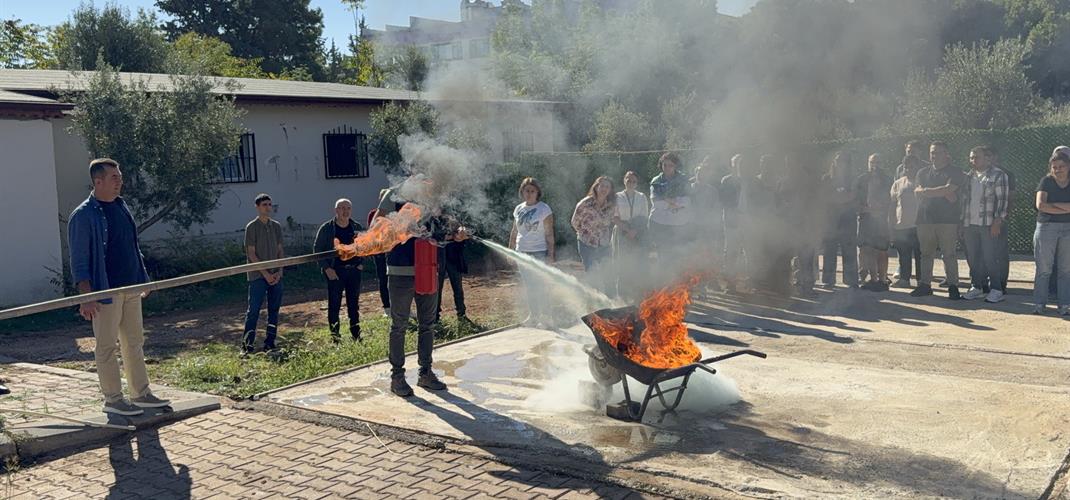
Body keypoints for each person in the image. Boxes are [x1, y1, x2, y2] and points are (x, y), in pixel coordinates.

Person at [68, 158, 170, 415]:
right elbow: (79, 260)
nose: (120, 182)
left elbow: (132, 247)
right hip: (105, 291)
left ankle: (141, 394)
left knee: (134, 342)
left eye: (120, 177)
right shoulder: (83, 215)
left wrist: (143, 278)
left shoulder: (122, 206)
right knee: (106, 346)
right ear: (98, 181)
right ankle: (113, 400)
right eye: (114, 177)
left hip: (131, 286)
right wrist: (86, 296)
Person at [376, 187, 468, 397]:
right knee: (399, 325)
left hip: (429, 268)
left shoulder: (434, 193)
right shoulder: (393, 194)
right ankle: (397, 377)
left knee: (427, 324)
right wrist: (404, 227)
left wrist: (458, 231)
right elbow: (376, 226)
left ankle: (425, 373)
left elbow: (448, 223)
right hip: (400, 270)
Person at [912, 142, 966, 299]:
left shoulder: (955, 172)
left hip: (947, 220)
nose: (934, 155)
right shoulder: (922, 172)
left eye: (938, 152)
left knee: (949, 254)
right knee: (926, 254)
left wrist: (927, 191)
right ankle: (925, 285)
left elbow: (949, 190)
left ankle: (953, 286)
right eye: (932, 152)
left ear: (946, 154)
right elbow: (917, 192)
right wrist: (942, 192)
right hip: (924, 219)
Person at [961, 146, 1010, 303]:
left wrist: (997, 221)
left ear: (987, 159)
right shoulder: (968, 176)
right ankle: (976, 287)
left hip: (988, 224)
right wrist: (962, 223)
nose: (973, 160)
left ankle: (996, 289)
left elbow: (1002, 200)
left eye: (977, 157)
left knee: (990, 257)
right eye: (971, 157)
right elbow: (964, 201)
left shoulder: (999, 175)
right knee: (973, 257)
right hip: (969, 224)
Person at [313, 198, 364, 343]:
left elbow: (364, 246)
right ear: (336, 210)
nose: (345, 211)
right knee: (334, 305)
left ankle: (356, 334)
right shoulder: (327, 228)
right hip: (335, 272)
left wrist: (361, 263)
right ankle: (335, 337)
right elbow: (317, 249)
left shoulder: (356, 227)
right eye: (342, 208)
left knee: (353, 304)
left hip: (354, 271)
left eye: (348, 208)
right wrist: (327, 268)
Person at [509, 177, 556, 326]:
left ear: (537, 193)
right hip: (522, 252)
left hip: (539, 252)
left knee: (541, 285)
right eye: (526, 191)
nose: (529, 194)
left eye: (532, 191)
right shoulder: (518, 209)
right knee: (529, 286)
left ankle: (547, 317)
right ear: (522, 192)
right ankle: (533, 316)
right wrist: (511, 250)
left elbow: (549, 233)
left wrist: (550, 254)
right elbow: (514, 231)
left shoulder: (544, 209)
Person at [243, 193, 285, 353]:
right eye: (264, 205)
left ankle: (270, 342)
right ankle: (247, 346)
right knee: (253, 311)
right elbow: (251, 253)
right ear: (257, 207)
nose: (268, 208)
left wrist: (279, 270)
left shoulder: (276, 226)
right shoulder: (252, 227)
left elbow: (280, 250)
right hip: (258, 276)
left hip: (276, 275)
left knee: (274, 310)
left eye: (269, 204)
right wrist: (266, 274)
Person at [1032, 151, 1070, 315]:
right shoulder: (1046, 181)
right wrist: (1066, 207)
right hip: (1046, 228)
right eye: (1055, 167)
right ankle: (1039, 304)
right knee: (1044, 269)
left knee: (1065, 270)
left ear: (1068, 167)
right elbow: (1041, 205)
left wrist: (1053, 205)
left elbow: (1048, 206)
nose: (1058, 170)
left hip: (1068, 229)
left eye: (1061, 166)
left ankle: (1064, 305)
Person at [742, 154, 785, 293]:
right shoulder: (754, 181)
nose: (766, 166)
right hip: (758, 223)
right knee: (757, 255)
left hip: (774, 223)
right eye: (764, 163)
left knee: (773, 254)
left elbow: (782, 201)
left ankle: (773, 283)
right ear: (760, 165)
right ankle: (757, 283)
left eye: (769, 163)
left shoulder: (779, 181)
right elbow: (749, 202)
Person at [571, 176, 617, 294]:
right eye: (602, 186)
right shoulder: (585, 203)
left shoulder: (611, 206)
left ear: (610, 190)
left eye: (607, 187)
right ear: (596, 187)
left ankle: (611, 300)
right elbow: (575, 222)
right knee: (592, 274)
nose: (604, 189)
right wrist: (586, 233)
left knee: (608, 273)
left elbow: (610, 222)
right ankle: (594, 300)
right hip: (587, 244)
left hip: (604, 244)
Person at [820, 152, 860, 290]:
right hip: (830, 220)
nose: (840, 163)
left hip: (848, 219)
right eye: (838, 160)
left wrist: (837, 198)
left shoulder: (853, 179)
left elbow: (853, 195)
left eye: (844, 161)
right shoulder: (827, 178)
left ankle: (851, 280)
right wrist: (841, 198)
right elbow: (825, 196)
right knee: (829, 250)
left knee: (849, 249)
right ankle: (828, 280)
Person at [855, 153, 893, 291]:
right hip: (865, 219)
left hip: (882, 220)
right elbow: (856, 199)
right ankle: (868, 279)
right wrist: (864, 209)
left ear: (882, 164)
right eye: (872, 162)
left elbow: (892, 199)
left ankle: (882, 280)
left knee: (881, 250)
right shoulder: (861, 179)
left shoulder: (888, 180)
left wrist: (882, 209)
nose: (874, 166)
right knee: (865, 249)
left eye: (877, 162)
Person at [613, 171, 650, 301]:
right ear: (624, 181)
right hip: (622, 231)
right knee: (622, 263)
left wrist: (634, 230)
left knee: (638, 262)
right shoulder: (617, 197)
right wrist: (627, 230)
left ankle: (637, 296)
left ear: (637, 183)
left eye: (634, 181)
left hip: (638, 232)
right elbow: (614, 217)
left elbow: (644, 216)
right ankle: (622, 296)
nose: (631, 183)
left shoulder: (641, 197)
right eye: (629, 180)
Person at [648, 153, 691, 261]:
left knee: (678, 255)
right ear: (661, 165)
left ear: (675, 165)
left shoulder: (683, 180)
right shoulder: (656, 181)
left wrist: (668, 200)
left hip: (679, 223)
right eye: (665, 165)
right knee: (661, 255)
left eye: (670, 165)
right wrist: (677, 203)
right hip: (659, 223)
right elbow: (657, 203)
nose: (667, 168)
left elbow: (687, 201)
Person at [890, 155, 924, 288]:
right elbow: (892, 205)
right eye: (906, 167)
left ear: (917, 167)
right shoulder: (897, 183)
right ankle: (904, 280)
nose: (909, 169)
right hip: (901, 226)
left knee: (920, 256)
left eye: (912, 167)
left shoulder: (923, 182)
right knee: (904, 255)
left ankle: (922, 281)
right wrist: (891, 224)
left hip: (919, 225)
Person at [691, 158, 724, 293]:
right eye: (699, 173)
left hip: (707, 228)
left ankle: (705, 284)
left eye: (704, 174)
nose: (701, 176)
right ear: (695, 174)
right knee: (692, 256)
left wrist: (714, 226)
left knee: (707, 256)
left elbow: (716, 209)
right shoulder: (689, 188)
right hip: (692, 228)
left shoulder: (712, 191)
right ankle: (692, 285)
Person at [436, 216, 470, 325]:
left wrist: (461, 232)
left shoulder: (452, 214)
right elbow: (433, 235)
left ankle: (461, 313)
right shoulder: (432, 218)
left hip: (453, 256)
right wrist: (449, 237)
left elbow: (463, 229)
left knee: (457, 286)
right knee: (437, 287)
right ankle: (435, 316)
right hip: (438, 256)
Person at [720, 154, 746, 292]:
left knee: (746, 252)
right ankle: (730, 283)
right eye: (736, 163)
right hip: (732, 221)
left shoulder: (748, 180)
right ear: (732, 165)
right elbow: (725, 201)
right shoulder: (727, 180)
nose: (739, 166)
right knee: (731, 251)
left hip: (747, 221)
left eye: (741, 164)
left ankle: (745, 282)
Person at [368, 198, 390, 317]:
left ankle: (397, 305)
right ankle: (387, 307)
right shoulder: (373, 213)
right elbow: (372, 231)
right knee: (383, 278)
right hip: (380, 251)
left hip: (392, 250)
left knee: (395, 279)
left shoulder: (394, 213)